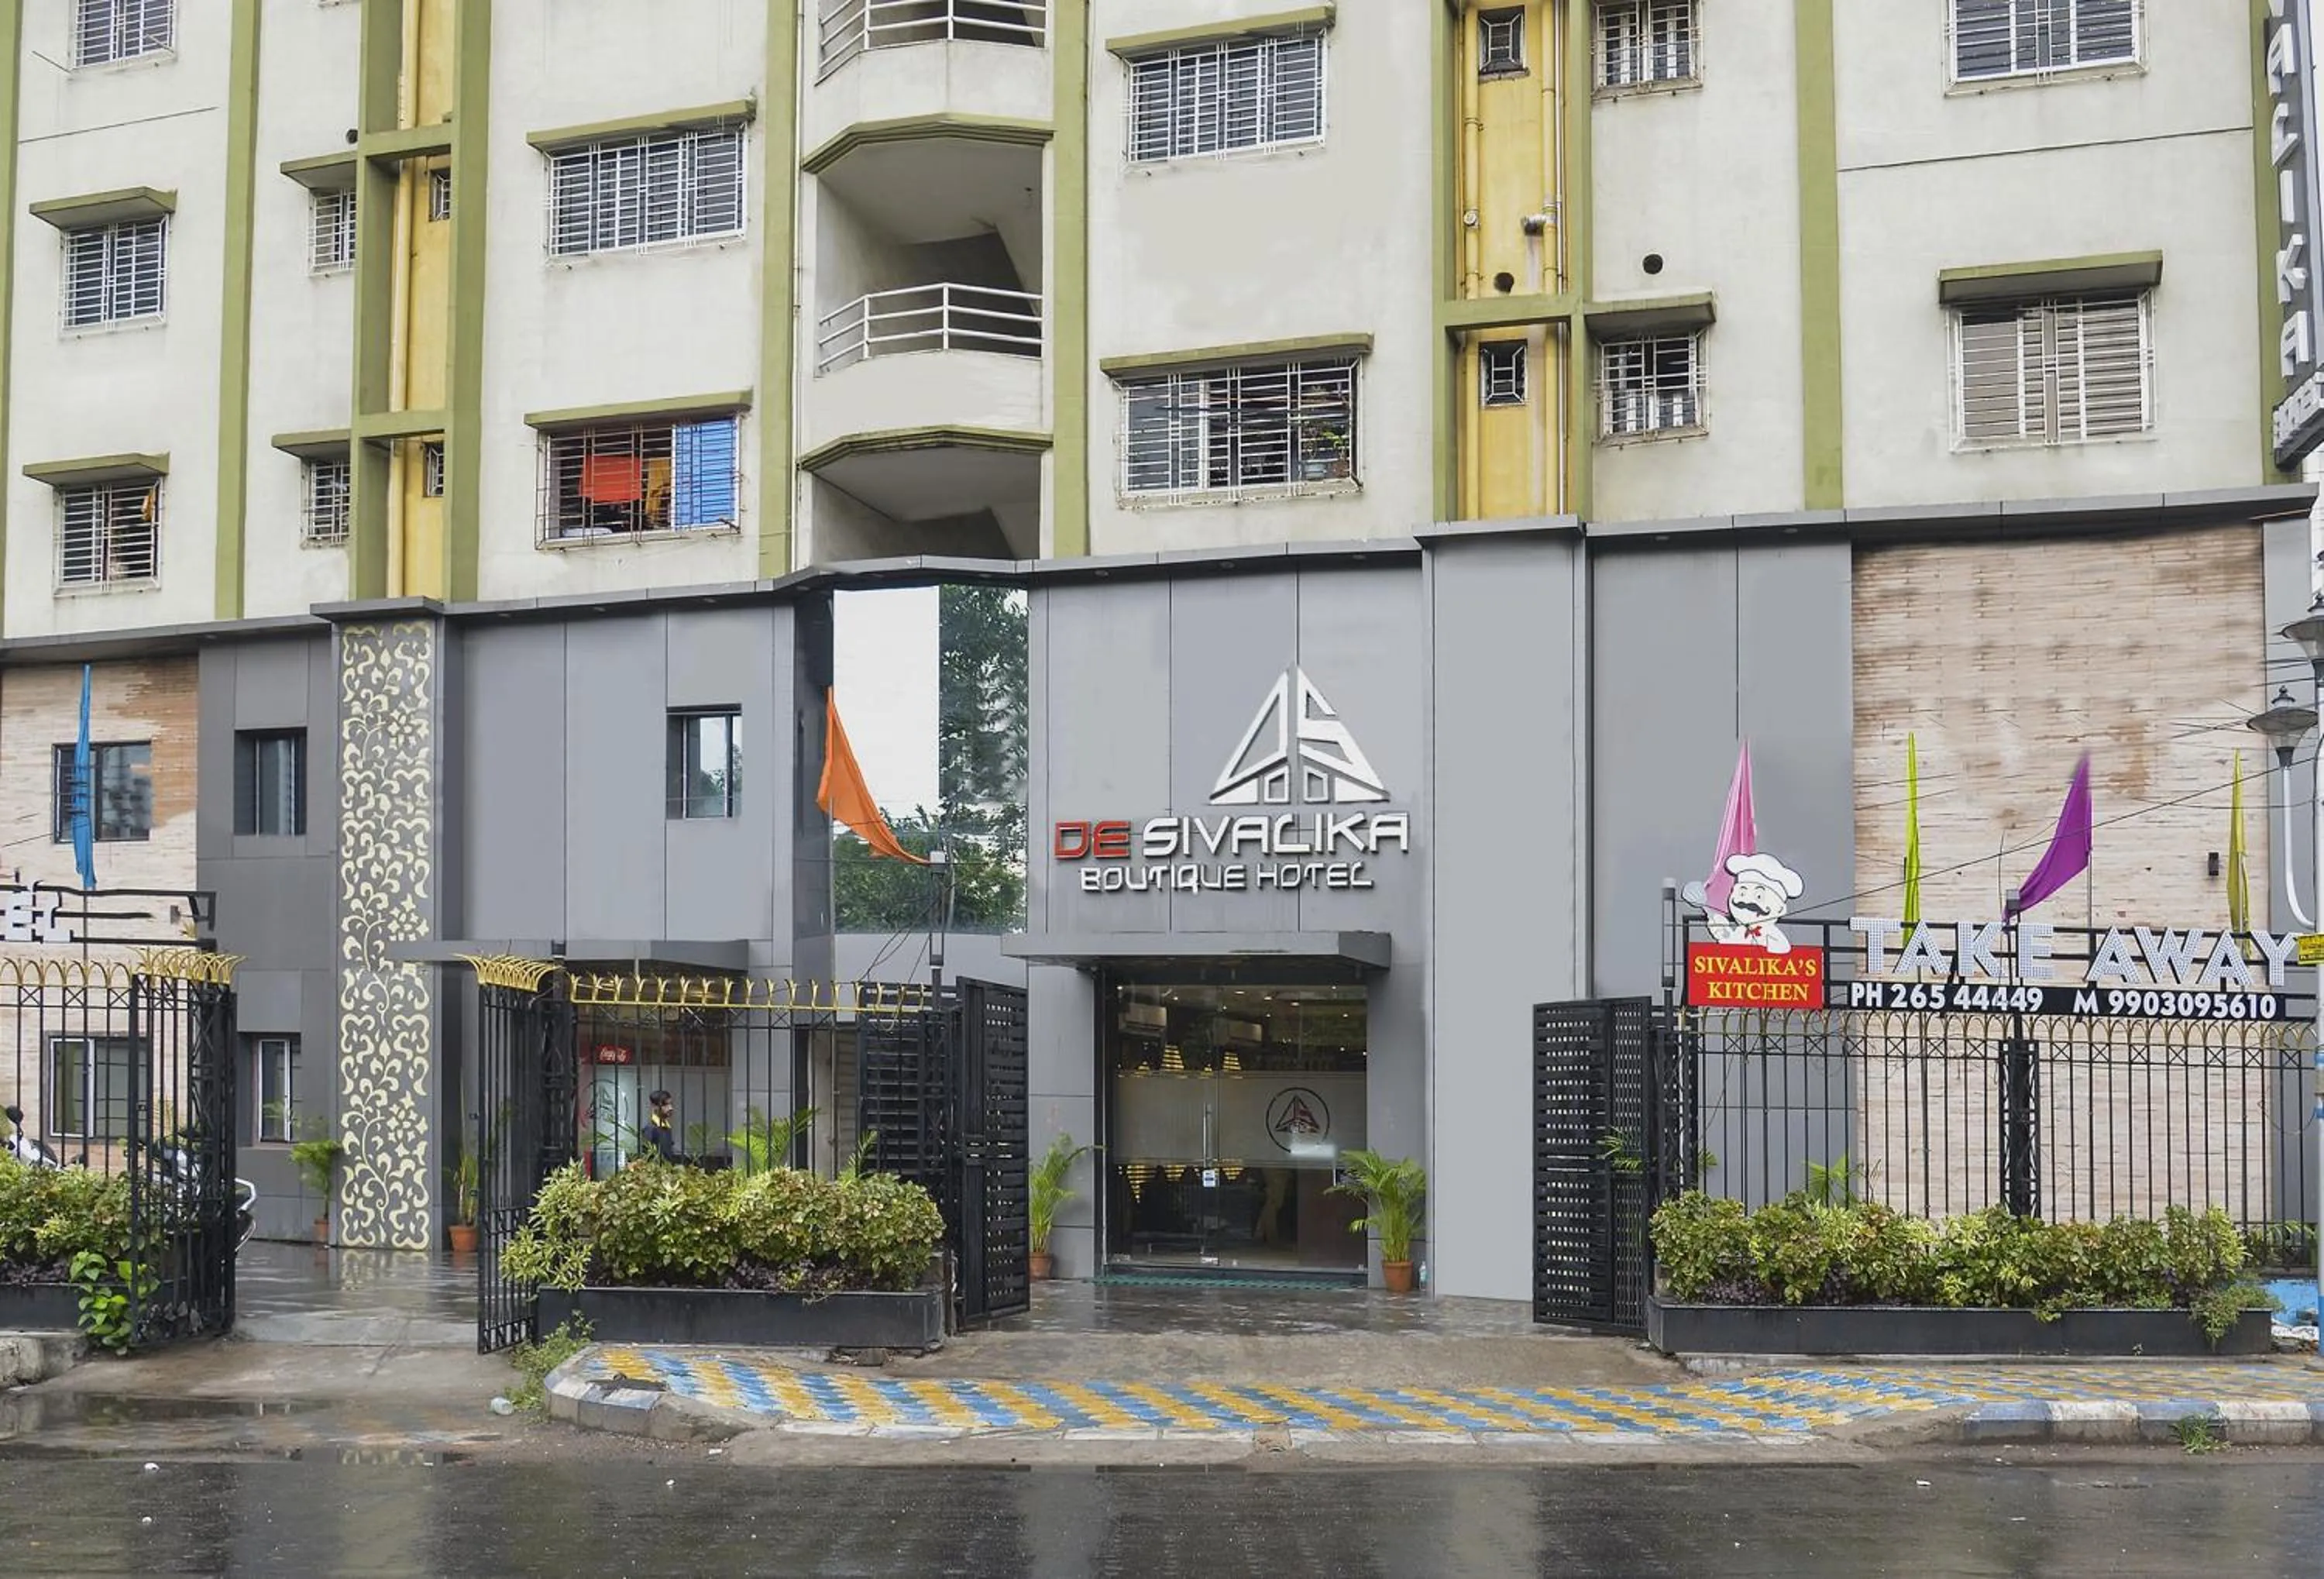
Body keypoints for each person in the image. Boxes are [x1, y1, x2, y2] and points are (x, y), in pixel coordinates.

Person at [641, 1089, 681, 1164]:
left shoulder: (666, 1127)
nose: (670, 1108)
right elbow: (646, 1157)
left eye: (671, 1104)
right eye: (665, 1105)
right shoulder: (651, 1129)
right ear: (654, 1106)